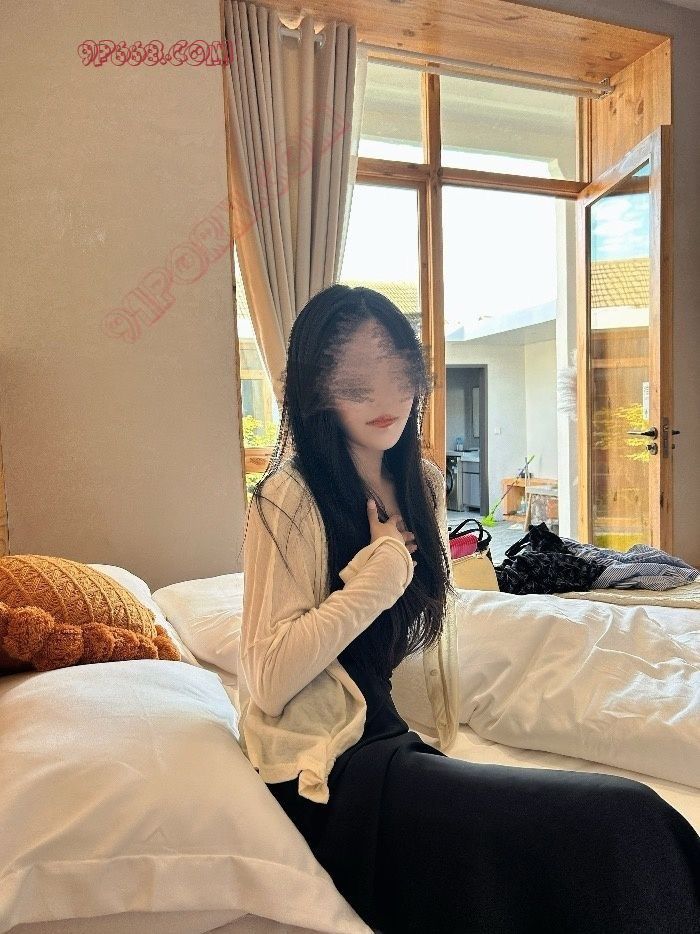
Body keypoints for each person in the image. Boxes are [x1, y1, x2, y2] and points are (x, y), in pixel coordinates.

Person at [237, 285, 700, 933]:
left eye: (399, 375)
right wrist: (379, 577)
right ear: (317, 389)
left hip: (393, 743)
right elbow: (267, 678)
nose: (386, 400)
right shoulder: (289, 497)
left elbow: (423, 644)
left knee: (624, 826)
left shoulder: (421, 483)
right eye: (357, 384)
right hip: (326, 773)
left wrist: (442, 747)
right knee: (620, 819)